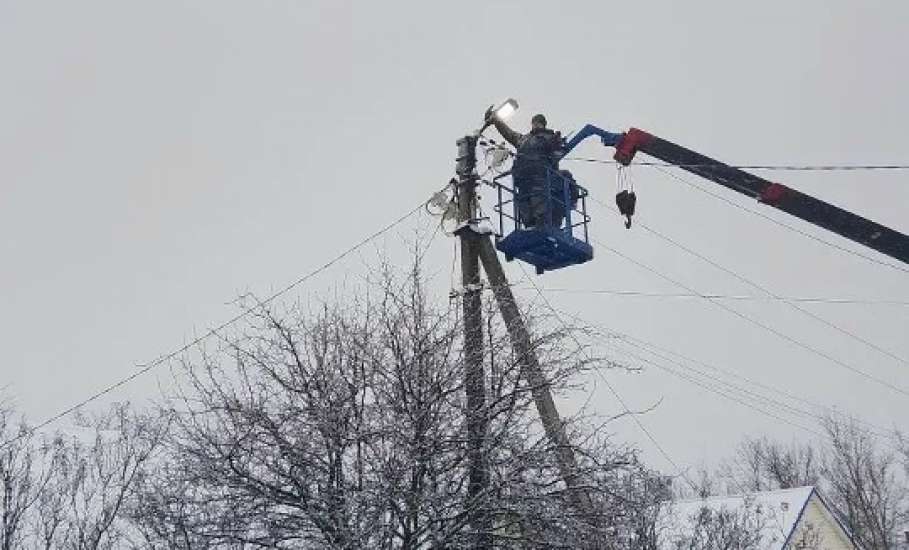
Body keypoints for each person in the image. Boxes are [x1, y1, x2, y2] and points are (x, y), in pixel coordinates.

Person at [485, 111, 569, 229]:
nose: (535, 125)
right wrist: (496, 121)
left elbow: (557, 153)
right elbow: (509, 133)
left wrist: (557, 143)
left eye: (538, 123)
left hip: (540, 178)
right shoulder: (524, 139)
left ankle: (542, 224)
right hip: (523, 178)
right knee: (524, 204)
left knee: (539, 201)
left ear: (543, 124)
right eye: (534, 123)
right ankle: (529, 225)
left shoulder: (549, 138)